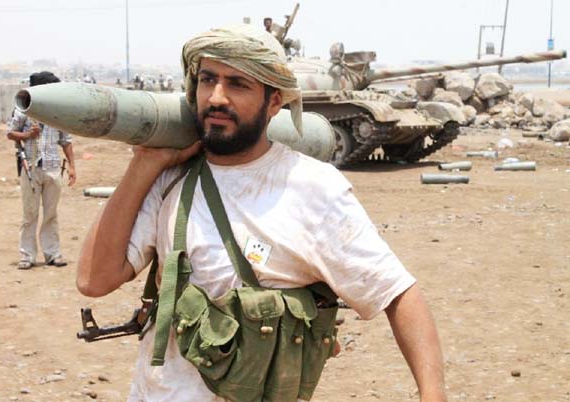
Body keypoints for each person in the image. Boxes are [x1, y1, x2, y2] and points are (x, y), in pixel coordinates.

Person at [77, 25, 447, 402]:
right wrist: (143, 165)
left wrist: (432, 395)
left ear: (274, 102)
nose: (217, 97)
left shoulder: (312, 187)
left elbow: (397, 293)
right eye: (208, 80)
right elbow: (94, 279)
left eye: (238, 83)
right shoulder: (170, 179)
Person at [7, 71, 77, 269]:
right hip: (30, 168)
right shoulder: (23, 110)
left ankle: (53, 254)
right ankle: (27, 256)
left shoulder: (58, 114)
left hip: (53, 168)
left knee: (51, 214)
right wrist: (28, 134)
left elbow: (66, 141)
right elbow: (10, 133)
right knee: (30, 214)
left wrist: (72, 167)